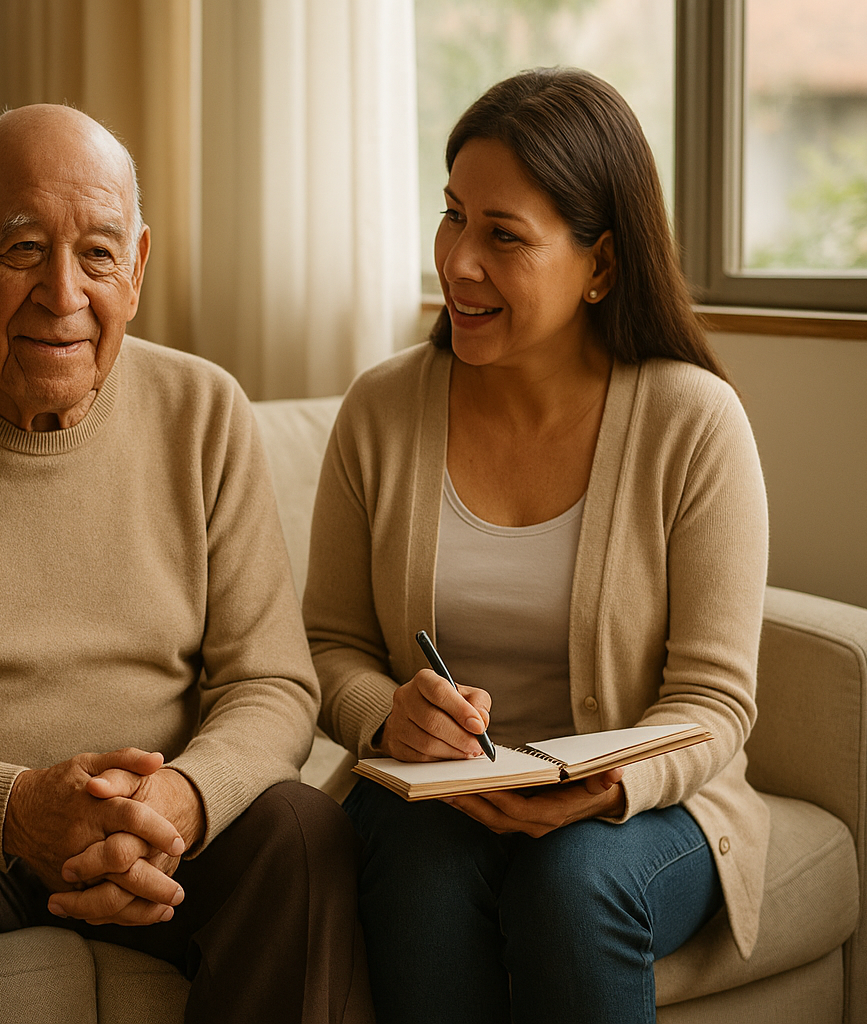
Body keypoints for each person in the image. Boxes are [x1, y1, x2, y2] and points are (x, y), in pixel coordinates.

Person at [0, 103, 374, 1024]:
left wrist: (178, 802)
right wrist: (13, 808)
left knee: (303, 832)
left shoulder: (206, 413)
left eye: (96, 253)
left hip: (164, 835)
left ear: (135, 271)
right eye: (19, 250)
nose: (62, 293)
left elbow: (273, 684)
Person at [303, 67, 769, 1023]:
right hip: (440, 805)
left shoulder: (694, 422)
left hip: (642, 813)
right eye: (451, 216)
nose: (458, 260)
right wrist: (390, 719)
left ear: (599, 264)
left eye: (503, 236)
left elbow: (715, 702)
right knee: (414, 859)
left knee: (571, 878)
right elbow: (327, 644)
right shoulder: (382, 412)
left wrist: (603, 789)